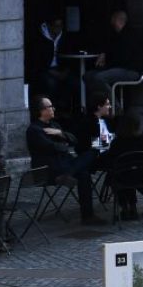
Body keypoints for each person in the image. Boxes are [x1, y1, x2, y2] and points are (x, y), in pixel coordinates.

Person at [26, 96, 100, 224]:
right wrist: (64, 145)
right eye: (50, 107)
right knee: (87, 163)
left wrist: (60, 133)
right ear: (41, 110)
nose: (53, 109)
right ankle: (68, 174)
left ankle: (88, 216)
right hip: (50, 170)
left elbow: (74, 140)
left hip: (65, 165)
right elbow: (52, 147)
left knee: (86, 169)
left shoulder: (54, 125)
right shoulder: (34, 130)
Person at [89, 8, 143, 102]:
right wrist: (104, 54)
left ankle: (115, 106)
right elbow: (111, 49)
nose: (111, 23)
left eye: (113, 20)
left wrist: (107, 62)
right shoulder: (117, 35)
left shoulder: (130, 35)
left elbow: (123, 58)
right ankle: (98, 105)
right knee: (88, 76)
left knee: (99, 77)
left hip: (131, 70)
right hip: (119, 67)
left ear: (118, 20)